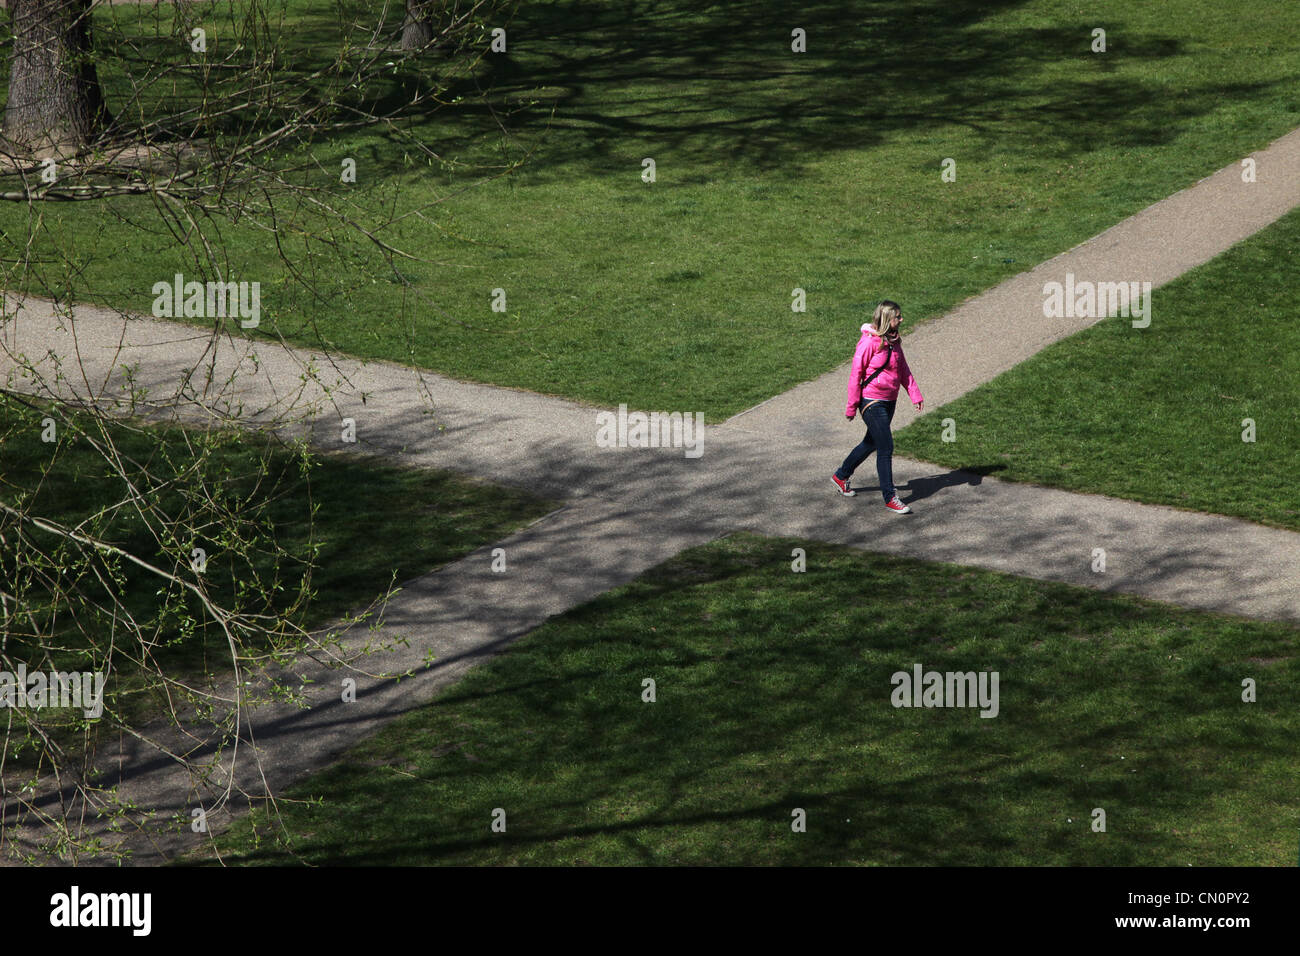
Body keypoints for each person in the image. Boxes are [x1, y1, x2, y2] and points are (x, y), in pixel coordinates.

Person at [831, 300, 923, 512]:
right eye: (897, 317)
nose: (901, 320)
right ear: (887, 319)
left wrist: (915, 394)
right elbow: (856, 375)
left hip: (890, 400)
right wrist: (851, 406)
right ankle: (890, 497)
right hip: (871, 402)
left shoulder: (895, 341)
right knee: (886, 447)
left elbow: (903, 370)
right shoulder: (868, 343)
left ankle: (841, 476)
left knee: (870, 442)